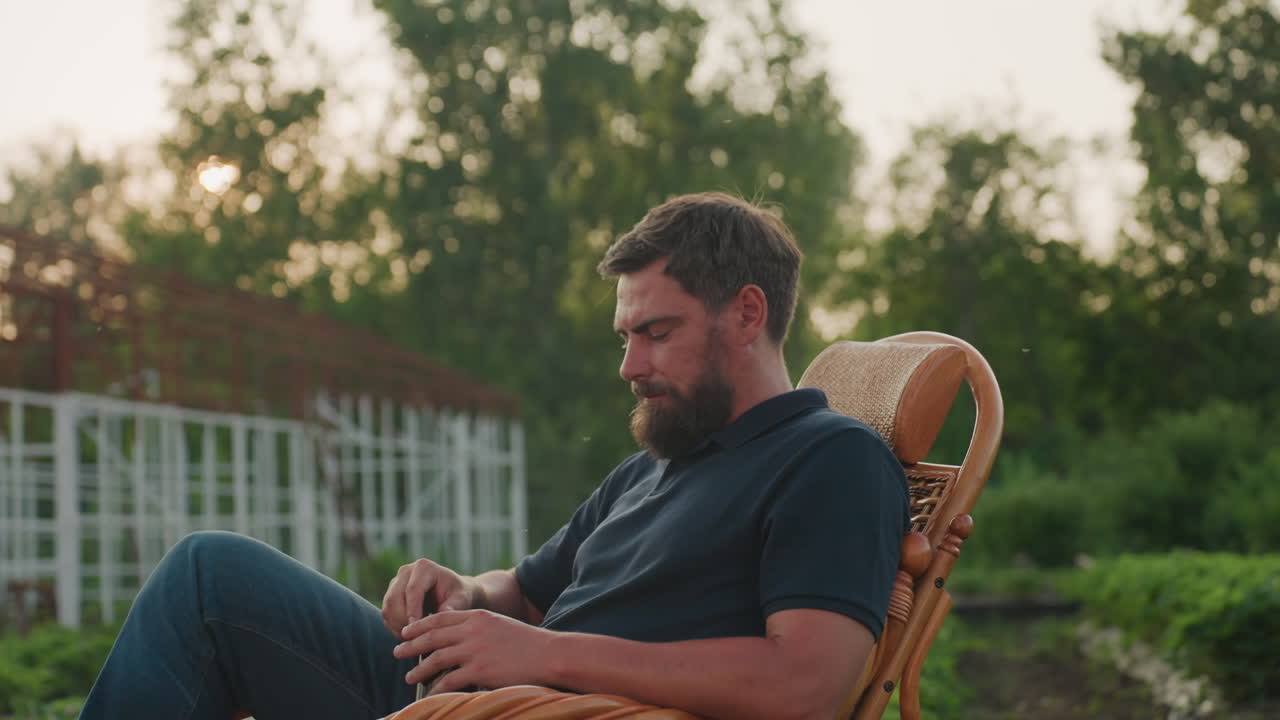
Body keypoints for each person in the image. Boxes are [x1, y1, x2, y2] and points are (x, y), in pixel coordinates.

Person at [79, 192, 908, 720]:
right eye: (624, 337)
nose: (629, 366)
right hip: (474, 696)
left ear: (747, 314)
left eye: (657, 332)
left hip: (526, 713)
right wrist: (464, 592)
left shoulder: (829, 459)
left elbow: (806, 685)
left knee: (209, 577)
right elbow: (526, 593)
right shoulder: (657, 464)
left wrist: (544, 657)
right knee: (210, 576)